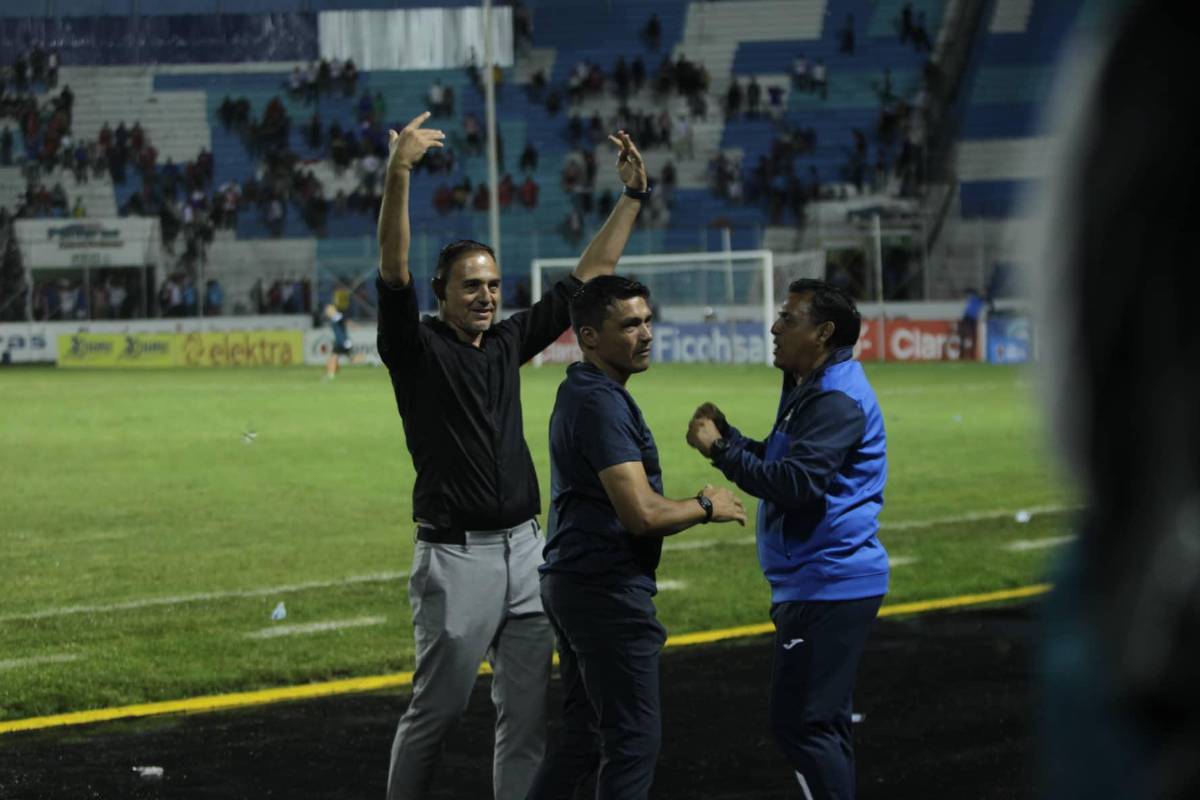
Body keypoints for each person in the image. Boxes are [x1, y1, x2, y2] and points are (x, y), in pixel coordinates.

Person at [376, 112, 651, 800]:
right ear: (440, 291)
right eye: (472, 285)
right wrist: (399, 172)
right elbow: (391, 268)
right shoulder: (414, 349)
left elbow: (591, 276)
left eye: (494, 284)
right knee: (435, 715)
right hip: (454, 558)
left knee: (525, 721)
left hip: (528, 554)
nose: (487, 295)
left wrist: (632, 198)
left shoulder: (506, 342)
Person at [528, 276, 746, 800]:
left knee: (582, 737)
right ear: (588, 337)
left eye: (648, 320)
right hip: (603, 591)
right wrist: (706, 505)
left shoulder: (585, 391)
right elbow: (641, 514)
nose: (646, 333)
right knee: (631, 743)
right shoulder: (600, 403)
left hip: (574, 581)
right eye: (629, 324)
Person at [685, 278, 889, 800]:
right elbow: (786, 463)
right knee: (822, 726)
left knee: (802, 727)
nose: (775, 327)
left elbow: (796, 484)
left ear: (823, 332)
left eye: (788, 318)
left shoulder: (836, 398)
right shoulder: (813, 388)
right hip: (821, 581)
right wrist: (730, 438)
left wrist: (720, 453)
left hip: (827, 584)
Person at [323, 302, 353, 380]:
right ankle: (370, 360)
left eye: (328, 309)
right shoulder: (334, 317)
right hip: (340, 342)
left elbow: (343, 319)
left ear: (333, 309)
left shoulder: (337, 316)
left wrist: (350, 323)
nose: (327, 311)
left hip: (343, 342)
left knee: (333, 358)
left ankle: (331, 374)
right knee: (350, 359)